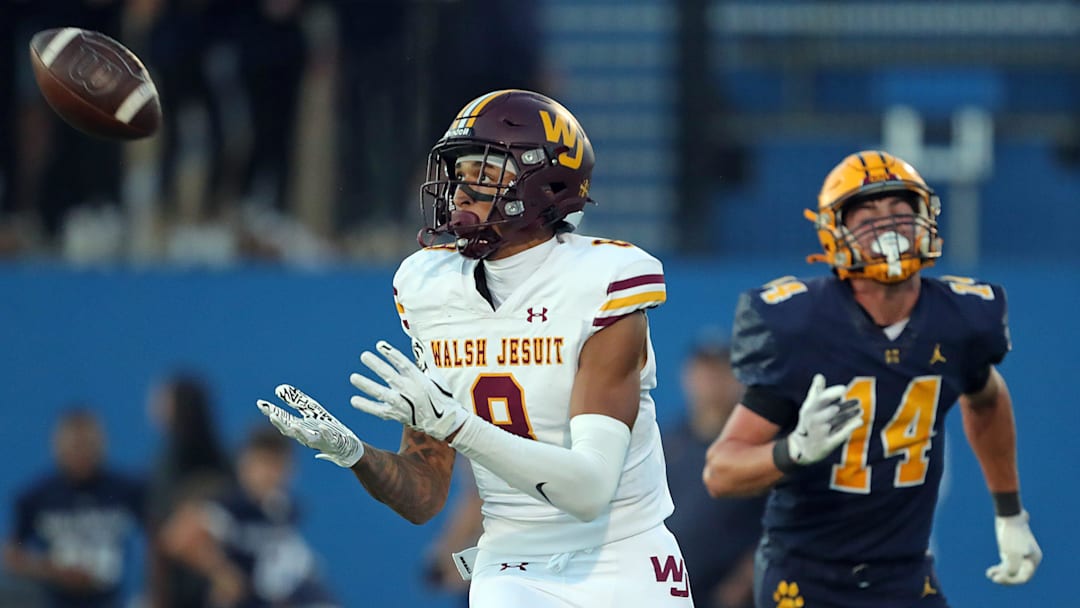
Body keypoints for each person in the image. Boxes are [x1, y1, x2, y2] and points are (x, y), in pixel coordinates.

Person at [256, 89, 694, 607]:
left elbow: (589, 491)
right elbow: (424, 493)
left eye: (484, 174)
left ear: (546, 184)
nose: (462, 192)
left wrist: (458, 425)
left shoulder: (603, 282)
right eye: (459, 175)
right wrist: (357, 456)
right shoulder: (429, 286)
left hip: (624, 553)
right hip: (512, 562)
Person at [701, 150, 1042, 607]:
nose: (889, 225)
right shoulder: (800, 325)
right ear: (834, 232)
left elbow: (986, 398)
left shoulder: (961, 319)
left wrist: (1010, 514)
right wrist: (794, 449)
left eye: (901, 210)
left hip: (905, 573)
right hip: (805, 574)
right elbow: (720, 471)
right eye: (868, 213)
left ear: (926, 218)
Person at [161, 427, 339, 608]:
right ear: (245, 464)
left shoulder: (282, 508)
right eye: (264, 464)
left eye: (277, 466)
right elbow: (177, 536)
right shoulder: (233, 506)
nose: (270, 474)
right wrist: (221, 572)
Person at [3, 408, 146, 608]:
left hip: (111, 600)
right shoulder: (35, 496)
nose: (82, 453)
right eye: (75, 446)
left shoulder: (127, 489)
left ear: (103, 444)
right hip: (55, 600)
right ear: (57, 447)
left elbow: (159, 537)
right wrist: (52, 571)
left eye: (89, 444)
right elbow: (11, 556)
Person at [664, 333, 764, 608]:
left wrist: (743, 582)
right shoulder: (665, 443)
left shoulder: (757, 446)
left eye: (721, 371)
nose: (712, 381)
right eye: (704, 371)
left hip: (732, 596)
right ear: (688, 376)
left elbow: (776, 523)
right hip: (672, 589)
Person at [144, 373, 234, 608]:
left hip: (215, 590)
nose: (154, 406)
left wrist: (219, 572)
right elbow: (161, 534)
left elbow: (168, 534)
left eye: (163, 399)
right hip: (178, 587)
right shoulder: (166, 463)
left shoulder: (219, 464)